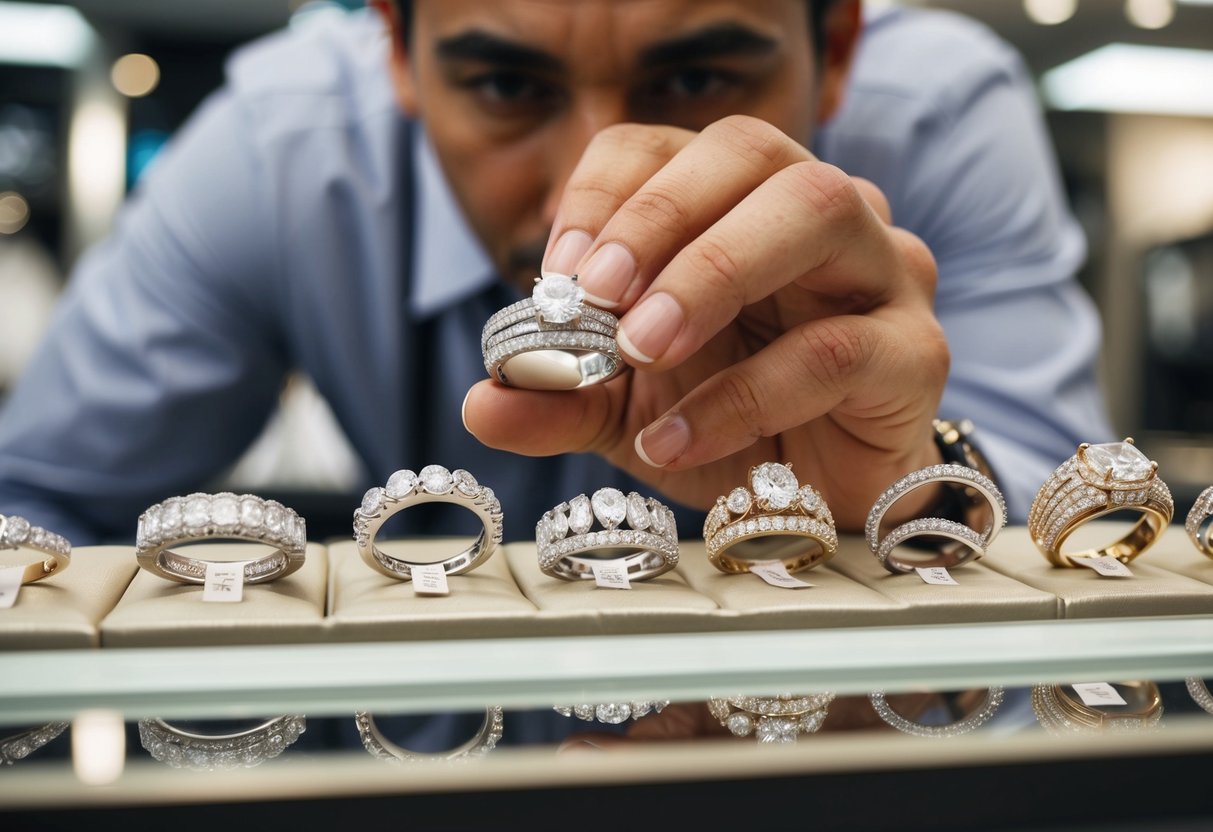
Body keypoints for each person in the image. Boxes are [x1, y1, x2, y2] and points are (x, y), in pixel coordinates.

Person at [0, 0, 1109, 548]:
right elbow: (34, 505)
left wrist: (910, 486)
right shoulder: (275, 153)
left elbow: (1084, 530)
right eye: (505, 86)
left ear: (836, 49)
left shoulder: (940, 114)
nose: (597, 182)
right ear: (393, 48)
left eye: (698, 77)